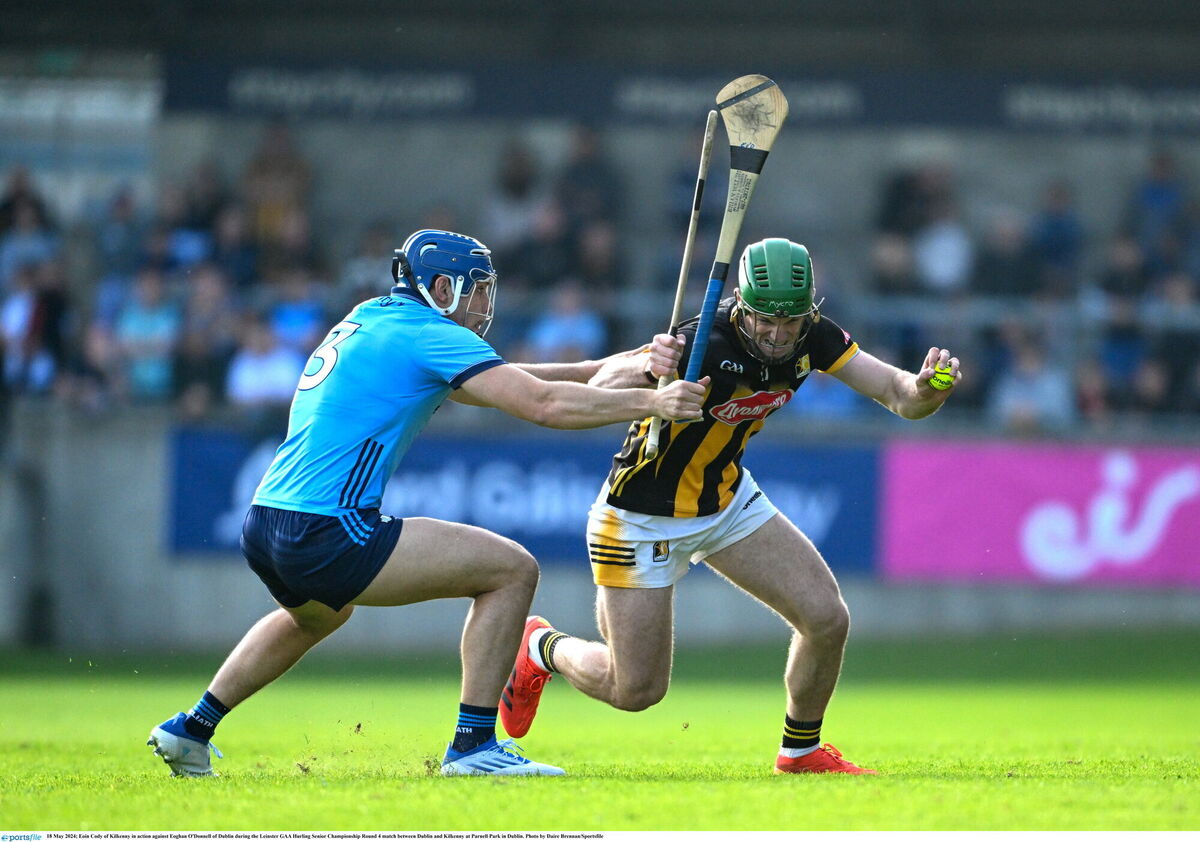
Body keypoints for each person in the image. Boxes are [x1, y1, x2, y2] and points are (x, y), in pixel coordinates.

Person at [147, 229, 707, 779]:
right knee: (511, 571)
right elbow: (540, 404)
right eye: (478, 288)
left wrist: (626, 363)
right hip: (328, 527)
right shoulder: (428, 335)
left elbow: (523, 379)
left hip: (267, 522)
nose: (487, 304)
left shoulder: (377, 317)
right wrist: (653, 401)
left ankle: (191, 728)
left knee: (316, 616)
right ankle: (473, 747)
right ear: (442, 288)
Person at [500, 238, 963, 775]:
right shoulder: (701, 340)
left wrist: (927, 390)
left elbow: (899, 395)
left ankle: (800, 751)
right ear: (741, 307)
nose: (778, 334)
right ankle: (541, 646)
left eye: (791, 322)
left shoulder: (814, 337)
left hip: (726, 500)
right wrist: (650, 368)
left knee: (826, 618)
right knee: (636, 690)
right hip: (638, 518)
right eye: (766, 320)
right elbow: (598, 387)